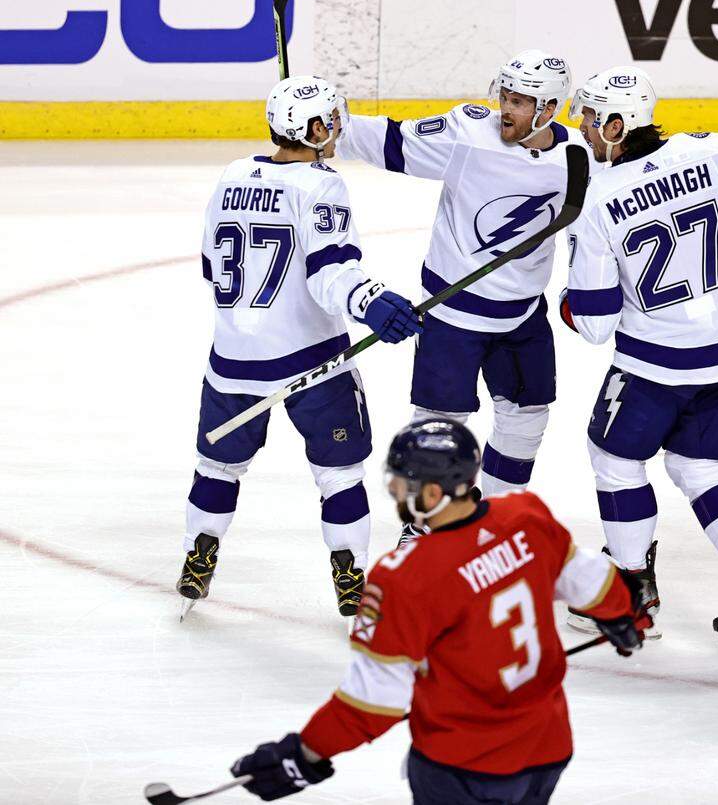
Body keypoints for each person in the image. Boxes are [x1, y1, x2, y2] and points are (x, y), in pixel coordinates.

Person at [228, 419, 649, 804]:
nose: (395, 491)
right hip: (547, 749)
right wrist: (621, 614)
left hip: (460, 766)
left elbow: (373, 702)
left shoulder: (405, 576)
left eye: (401, 482)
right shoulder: (526, 517)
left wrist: (302, 753)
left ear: (431, 493)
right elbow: (595, 582)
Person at [559, 66, 718, 651]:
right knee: (703, 469)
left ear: (617, 124)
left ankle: (631, 594)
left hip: (652, 367)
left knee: (614, 459)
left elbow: (592, 322)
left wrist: (569, 301)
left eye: (590, 118)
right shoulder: (711, 152)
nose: (582, 128)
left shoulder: (600, 198)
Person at [179, 76, 421, 618]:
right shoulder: (321, 185)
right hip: (311, 362)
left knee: (217, 469)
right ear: (312, 128)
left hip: (232, 363)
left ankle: (200, 552)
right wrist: (372, 301)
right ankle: (350, 574)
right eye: (331, 119)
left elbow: (208, 264)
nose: (338, 127)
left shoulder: (231, 175)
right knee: (339, 474)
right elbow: (330, 270)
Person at [335, 50, 589, 528]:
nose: (505, 110)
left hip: (522, 317)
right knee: (437, 427)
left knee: (527, 417)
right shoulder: (468, 134)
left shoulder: (578, 156)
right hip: (452, 314)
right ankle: (421, 527)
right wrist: (330, 125)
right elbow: (393, 141)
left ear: (550, 108)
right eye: (505, 96)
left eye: (520, 102)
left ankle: (494, 522)